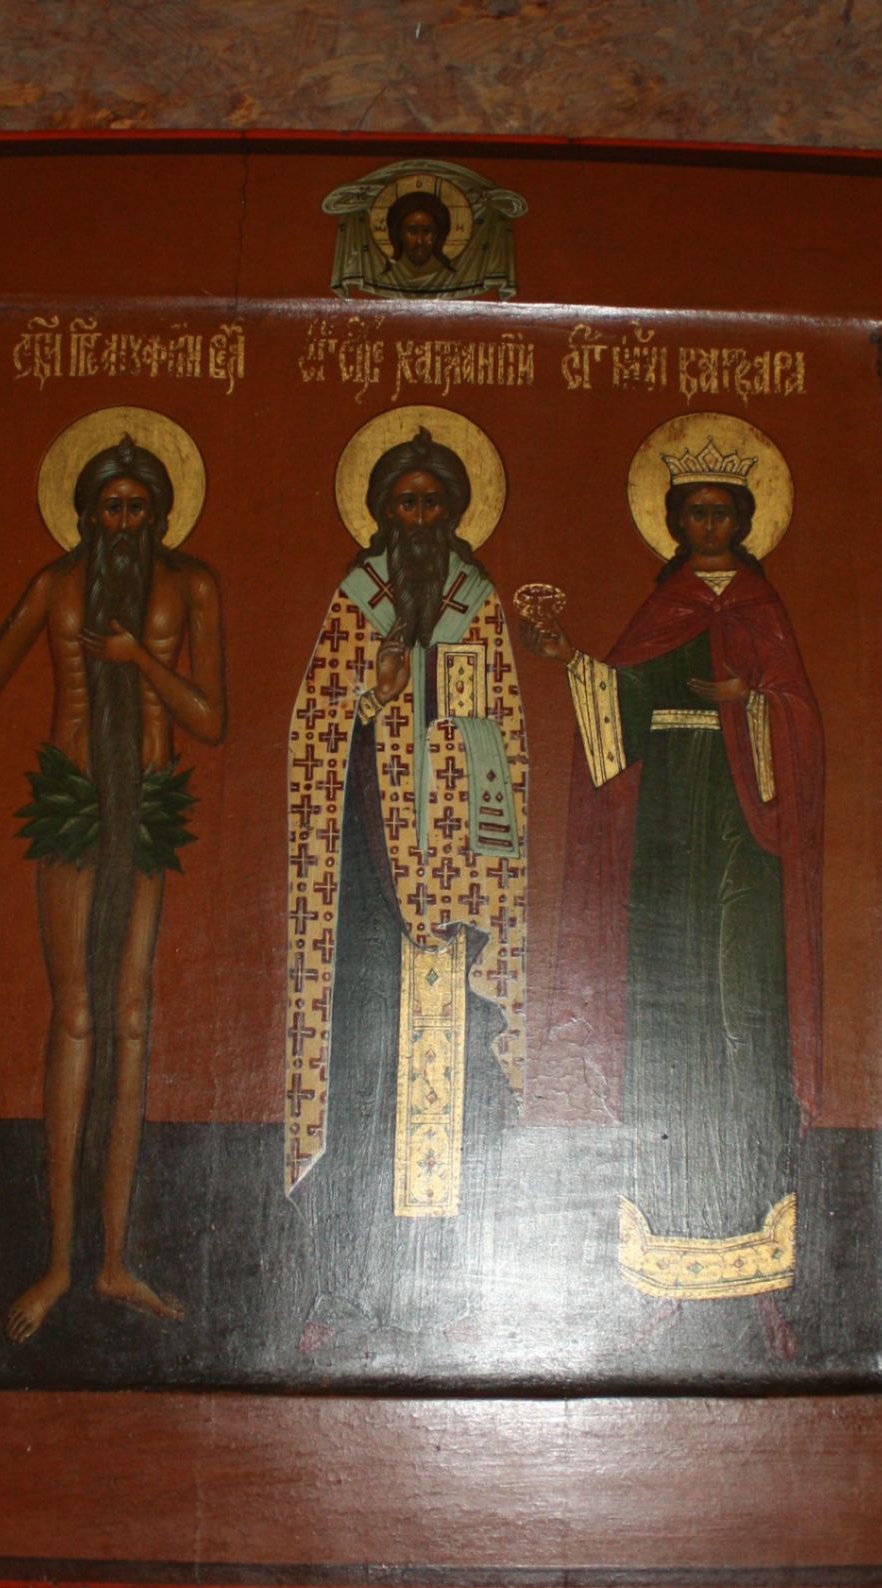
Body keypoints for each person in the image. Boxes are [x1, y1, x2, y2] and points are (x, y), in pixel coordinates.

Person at [522, 467, 823, 1355]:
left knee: (744, 1024)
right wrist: (569, 659)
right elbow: (621, 706)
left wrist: (753, 703)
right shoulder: (667, 608)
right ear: (677, 520)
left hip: (742, 837)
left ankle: (761, 1277)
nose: (709, 522)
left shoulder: (762, 608)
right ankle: (663, 1274)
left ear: (743, 518)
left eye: (722, 510)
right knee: (669, 1028)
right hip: (666, 837)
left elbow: (803, 724)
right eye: (695, 510)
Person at [0, 435, 226, 1340]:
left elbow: (210, 718)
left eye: (139, 508)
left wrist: (139, 659)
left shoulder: (190, 586)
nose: (125, 522)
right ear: (87, 513)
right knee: (74, 1015)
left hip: (144, 808)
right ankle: (60, 1264)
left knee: (131, 1017)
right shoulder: (57, 584)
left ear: (161, 514)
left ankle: (113, 1262)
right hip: (74, 805)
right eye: (112, 507)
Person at [286, 427, 526, 1344]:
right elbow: (315, 729)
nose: (418, 519)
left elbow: (504, 732)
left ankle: (452, 1291)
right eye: (404, 503)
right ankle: (348, 1283)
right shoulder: (357, 599)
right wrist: (370, 696)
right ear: (382, 512)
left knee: (461, 1082)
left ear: (455, 514)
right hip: (369, 885)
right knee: (364, 1074)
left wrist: (459, 735)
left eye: (432, 503)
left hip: (459, 885)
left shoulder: (478, 602)